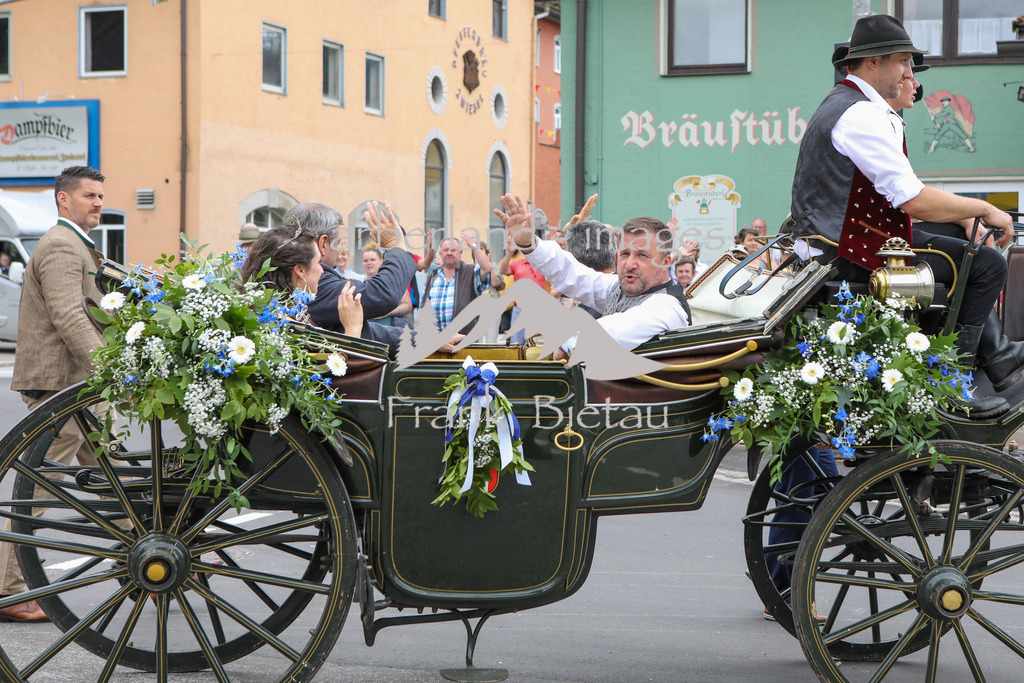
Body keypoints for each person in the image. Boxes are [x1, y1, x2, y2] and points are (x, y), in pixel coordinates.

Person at [790, 14, 1019, 416]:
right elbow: (912, 199)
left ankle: (998, 360)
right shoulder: (862, 114)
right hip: (845, 254)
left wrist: (963, 218)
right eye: (904, 62)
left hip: (832, 242)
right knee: (985, 265)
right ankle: (952, 383)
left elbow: (895, 202)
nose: (911, 74)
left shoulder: (846, 103)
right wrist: (983, 207)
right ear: (872, 62)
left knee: (960, 238)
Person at [1, 166, 108, 622]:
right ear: (63, 200)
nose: (98, 203)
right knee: (41, 486)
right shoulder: (63, 246)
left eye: (101, 196)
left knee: (112, 469)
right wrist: (109, 371)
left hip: (75, 384)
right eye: (89, 196)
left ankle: (148, 552)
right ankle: (8, 588)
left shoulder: (74, 244)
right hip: (61, 383)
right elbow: (69, 316)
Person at [495, 193, 690, 359]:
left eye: (642, 255)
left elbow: (603, 335)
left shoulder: (667, 305)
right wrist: (529, 244)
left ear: (665, 262)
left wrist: (563, 339)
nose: (629, 264)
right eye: (624, 254)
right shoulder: (621, 287)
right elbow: (573, 275)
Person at [284, 201, 416, 344]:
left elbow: (366, 331)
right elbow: (382, 294)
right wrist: (395, 245)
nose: (339, 251)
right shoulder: (310, 280)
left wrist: (419, 339)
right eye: (338, 242)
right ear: (323, 244)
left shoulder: (291, 271)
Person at [241, 224, 363, 335]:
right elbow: (331, 359)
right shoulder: (282, 324)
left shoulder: (259, 311)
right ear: (300, 270)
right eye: (318, 262)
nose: (322, 270)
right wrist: (353, 328)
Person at [421, 230, 494, 334]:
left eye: (453, 250)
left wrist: (473, 245)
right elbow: (423, 307)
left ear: (460, 253)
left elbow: (487, 267)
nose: (449, 253)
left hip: (464, 344)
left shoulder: (471, 272)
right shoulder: (432, 277)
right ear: (441, 254)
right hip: (435, 343)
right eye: (446, 250)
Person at [363, 246, 412, 327]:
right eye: (365, 260)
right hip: (365, 331)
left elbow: (407, 305)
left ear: (381, 261)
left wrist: (387, 312)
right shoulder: (359, 282)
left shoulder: (392, 281)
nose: (369, 263)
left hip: (389, 331)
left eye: (372, 259)